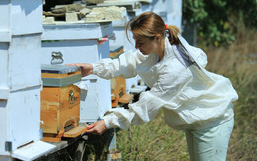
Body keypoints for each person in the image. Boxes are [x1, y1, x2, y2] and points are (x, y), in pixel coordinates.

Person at [73, 11, 238, 161]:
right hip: (198, 119)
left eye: (140, 42)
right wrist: (93, 68)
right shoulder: (160, 49)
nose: (137, 46)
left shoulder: (175, 68)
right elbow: (129, 62)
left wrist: (108, 122)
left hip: (211, 120)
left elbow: (145, 108)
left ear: (157, 37)